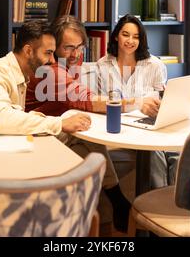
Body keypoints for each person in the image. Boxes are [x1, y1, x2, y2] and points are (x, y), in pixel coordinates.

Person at [25, 15, 133, 232]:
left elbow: (79, 98)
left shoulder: (70, 62)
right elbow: (84, 99)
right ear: (55, 47)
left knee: (88, 146)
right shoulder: (50, 70)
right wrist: (135, 103)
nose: (75, 54)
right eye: (68, 48)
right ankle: (118, 201)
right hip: (40, 134)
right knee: (88, 138)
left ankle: (106, 212)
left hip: (63, 129)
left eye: (80, 47)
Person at [0, 20, 90, 135]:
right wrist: (59, 123)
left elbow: (14, 119)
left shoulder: (23, 77)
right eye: (48, 53)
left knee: (80, 140)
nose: (53, 60)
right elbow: (1, 120)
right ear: (28, 51)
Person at [96, 14, 176, 189]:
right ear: (116, 36)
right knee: (154, 151)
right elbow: (102, 103)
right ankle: (156, 200)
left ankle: (164, 200)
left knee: (164, 152)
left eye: (136, 36)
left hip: (149, 126)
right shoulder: (103, 64)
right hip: (118, 127)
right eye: (125, 34)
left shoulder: (155, 65)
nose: (130, 41)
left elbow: (162, 100)